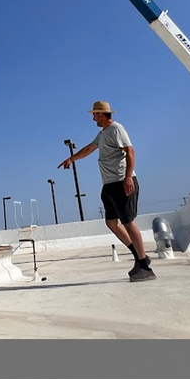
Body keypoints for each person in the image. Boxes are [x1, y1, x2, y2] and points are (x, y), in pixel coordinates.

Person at [58, 100, 155, 282]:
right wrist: (71, 159)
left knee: (128, 222)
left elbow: (130, 151)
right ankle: (139, 256)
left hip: (121, 181)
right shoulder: (102, 133)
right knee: (111, 222)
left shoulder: (116, 129)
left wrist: (128, 177)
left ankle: (144, 267)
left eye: (95, 115)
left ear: (101, 114)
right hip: (109, 184)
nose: (93, 118)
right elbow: (89, 148)